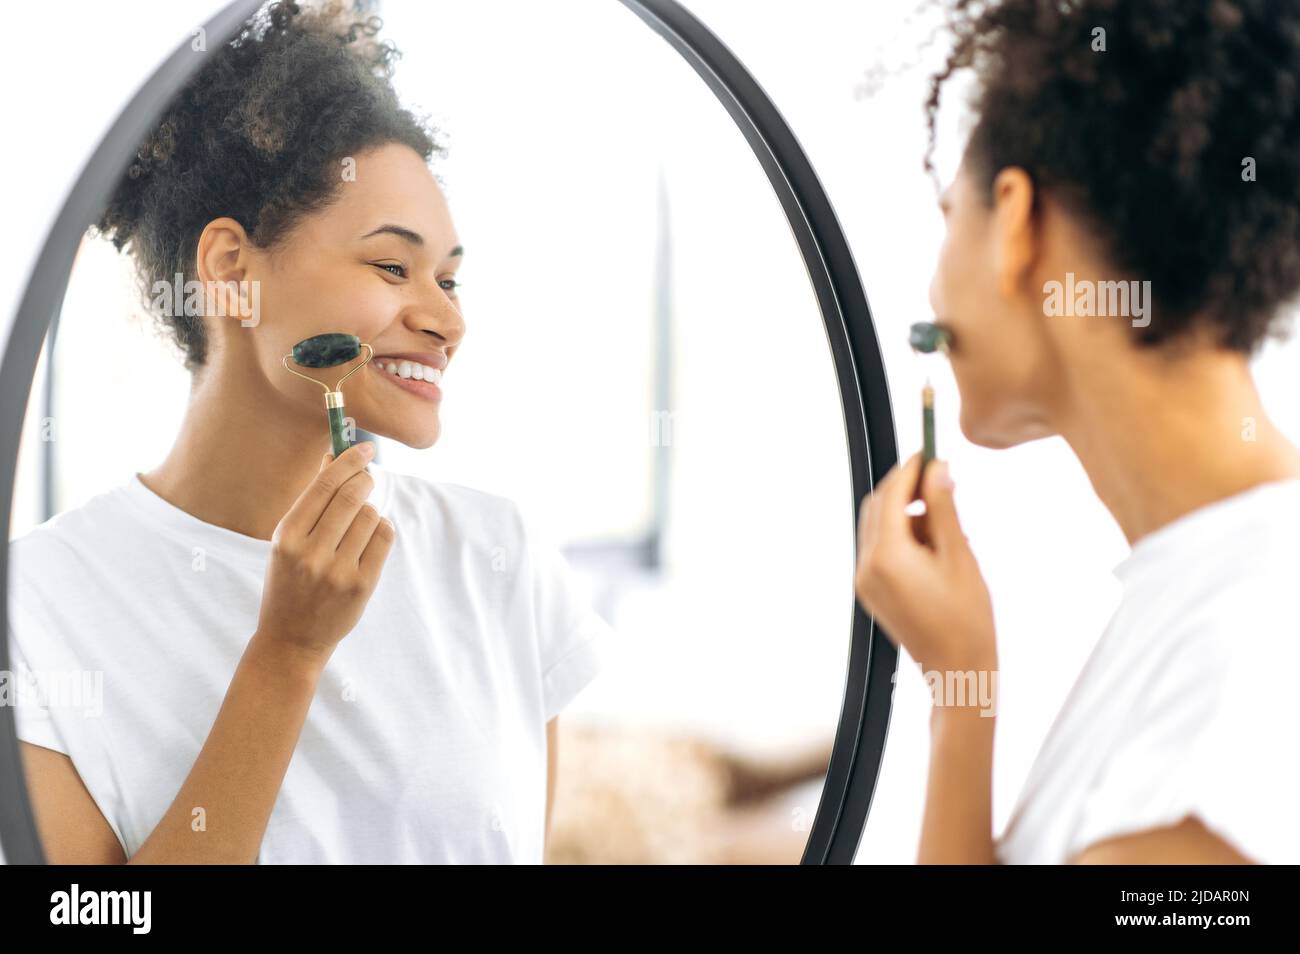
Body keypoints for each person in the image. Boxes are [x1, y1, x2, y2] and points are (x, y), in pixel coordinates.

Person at [10, 0, 614, 863]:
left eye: (450, 280)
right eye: (392, 265)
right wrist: (286, 655)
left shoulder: (497, 556)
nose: (447, 320)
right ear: (230, 270)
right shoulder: (37, 609)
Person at [854, 0, 1300, 864]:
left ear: (1014, 221)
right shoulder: (1203, 596)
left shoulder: (1241, 671)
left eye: (951, 218)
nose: (934, 291)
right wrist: (961, 694)